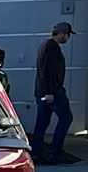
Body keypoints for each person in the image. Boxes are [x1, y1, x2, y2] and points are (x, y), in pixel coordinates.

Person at [31, 21, 75, 164]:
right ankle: (55, 152)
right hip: (53, 91)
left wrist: (43, 92)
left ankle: (37, 153)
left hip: (41, 91)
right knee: (66, 118)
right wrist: (49, 92)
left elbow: (43, 71)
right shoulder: (52, 47)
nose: (68, 38)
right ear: (62, 34)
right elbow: (47, 71)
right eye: (67, 35)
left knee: (42, 123)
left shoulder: (44, 45)